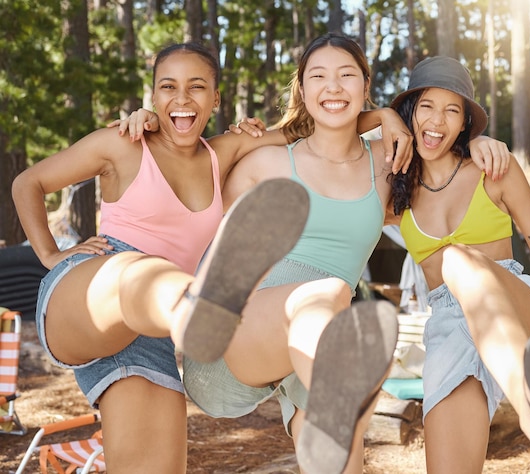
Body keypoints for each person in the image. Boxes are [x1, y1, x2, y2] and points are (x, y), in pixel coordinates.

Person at [120, 34, 512, 474]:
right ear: (302, 91)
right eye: (318, 76)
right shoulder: (262, 162)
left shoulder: (387, 165)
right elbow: (182, 194)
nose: (333, 87)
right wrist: (148, 125)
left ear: (365, 86)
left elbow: (443, 160)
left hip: (320, 347)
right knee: (329, 299)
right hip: (234, 348)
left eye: (346, 76)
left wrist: (479, 144)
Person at [11, 42, 315, 474]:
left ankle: (210, 310)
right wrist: (48, 253)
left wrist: (382, 117)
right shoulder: (124, 144)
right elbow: (29, 183)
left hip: (153, 335)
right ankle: (212, 307)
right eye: (168, 87)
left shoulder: (221, 153)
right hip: (93, 290)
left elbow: (305, 128)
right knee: (139, 273)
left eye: (197, 87)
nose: (182, 98)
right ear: (153, 97)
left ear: (216, 98)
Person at [386, 56, 530, 474]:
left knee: (458, 259)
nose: (437, 120)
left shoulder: (493, 170)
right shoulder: (395, 191)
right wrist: (381, 117)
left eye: (452, 110)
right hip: (449, 329)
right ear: (408, 113)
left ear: (464, 125)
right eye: (426, 106)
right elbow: (330, 148)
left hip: (515, 302)